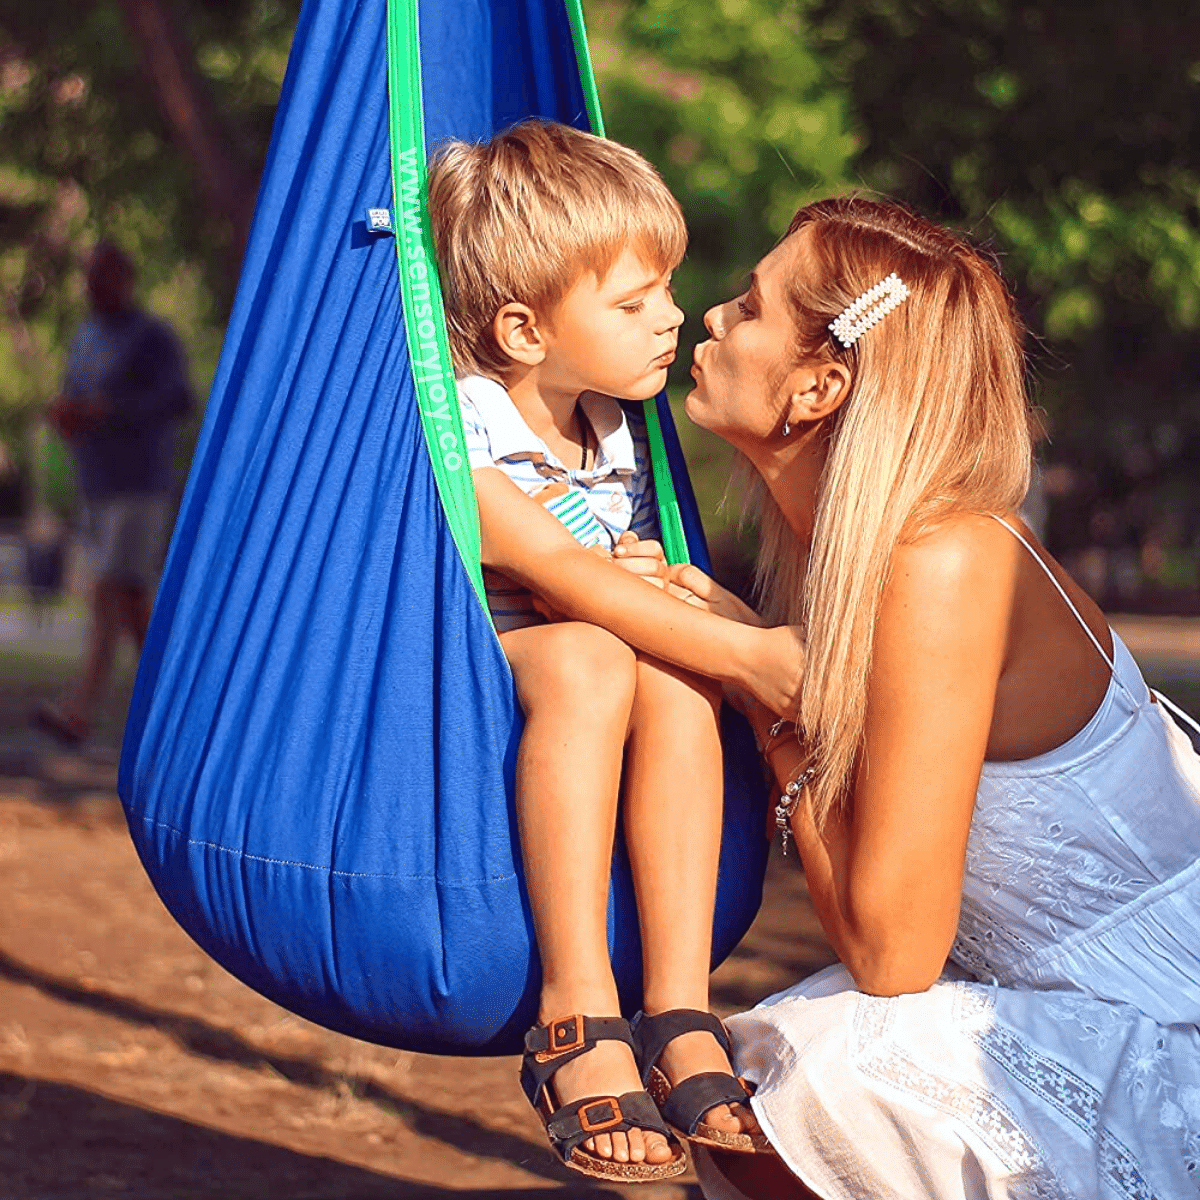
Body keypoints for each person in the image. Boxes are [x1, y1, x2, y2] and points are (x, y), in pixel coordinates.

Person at [655, 195, 1200, 1199]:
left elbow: (893, 952)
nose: (713, 320)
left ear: (821, 383)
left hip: (1171, 1030)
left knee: (829, 1077)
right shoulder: (861, 556)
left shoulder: (941, 555)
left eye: (750, 304)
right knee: (763, 1077)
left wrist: (764, 686)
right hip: (1074, 1007)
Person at [427, 121, 803, 1183]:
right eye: (634, 304)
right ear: (523, 328)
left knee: (666, 670)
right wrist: (757, 658)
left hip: (581, 647)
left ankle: (678, 1004)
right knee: (600, 651)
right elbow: (561, 573)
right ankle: (575, 1010)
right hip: (473, 660)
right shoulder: (465, 421)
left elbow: (608, 578)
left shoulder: (617, 424)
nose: (675, 318)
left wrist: (672, 613)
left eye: (667, 291)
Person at [34, 241, 194, 745]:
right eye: (90, 277)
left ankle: (81, 710)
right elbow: (78, 397)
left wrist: (112, 409)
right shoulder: (86, 337)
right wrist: (67, 414)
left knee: (111, 592)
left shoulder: (152, 338)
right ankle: (172, 706)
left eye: (103, 276)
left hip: (139, 485)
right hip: (97, 485)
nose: (93, 287)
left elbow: (179, 399)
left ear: (125, 279)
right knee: (127, 600)